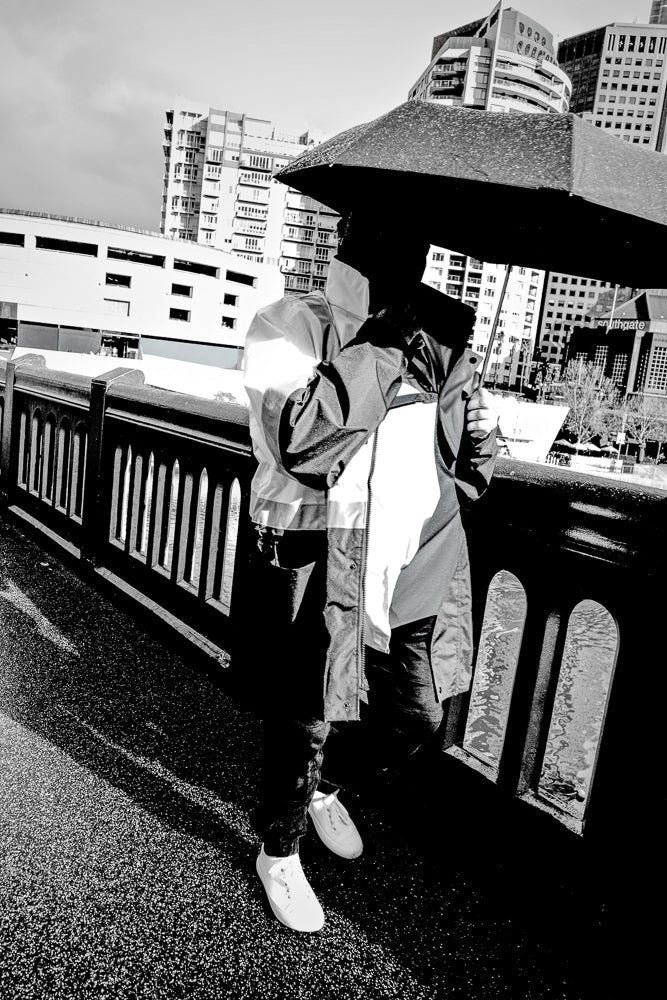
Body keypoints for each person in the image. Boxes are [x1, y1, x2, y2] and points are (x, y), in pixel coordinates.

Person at [242, 210, 499, 932]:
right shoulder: (287, 322)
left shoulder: (440, 339)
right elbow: (305, 442)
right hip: (325, 557)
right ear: (349, 244)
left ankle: (326, 788)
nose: (399, 259)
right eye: (381, 241)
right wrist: (380, 337)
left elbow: (467, 471)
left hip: (420, 560)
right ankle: (279, 848)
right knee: (310, 713)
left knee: (417, 715)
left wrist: (481, 441)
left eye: (411, 245)